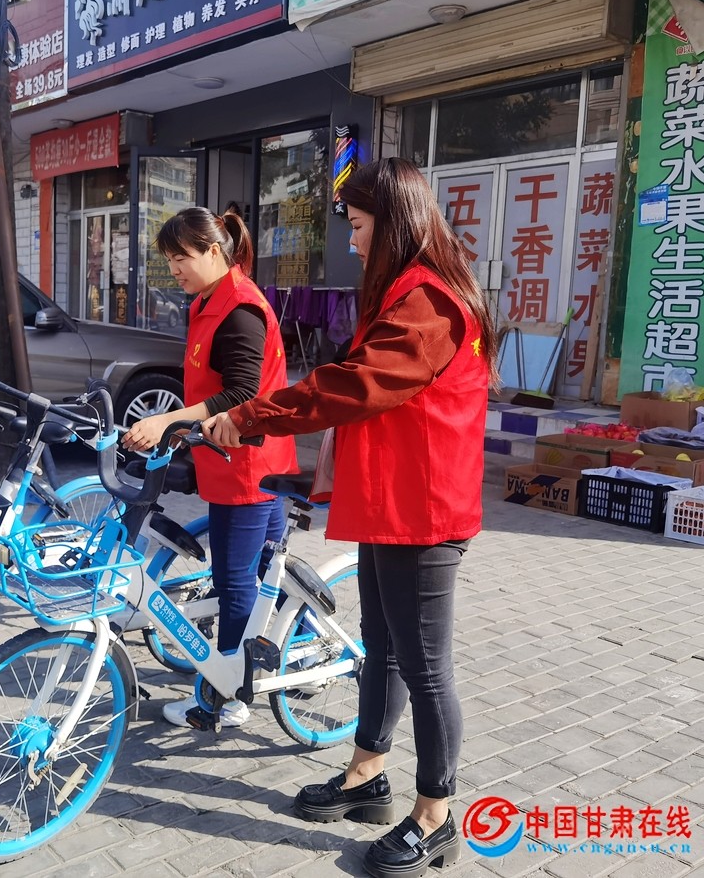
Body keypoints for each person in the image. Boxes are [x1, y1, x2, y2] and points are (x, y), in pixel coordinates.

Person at [203, 157, 497, 878]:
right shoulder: (406, 291)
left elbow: (352, 386)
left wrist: (253, 415)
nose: (353, 241)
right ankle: (368, 775)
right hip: (393, 504)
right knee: (384, 648)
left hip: (423, 511)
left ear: (393, 223)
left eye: (360, 226)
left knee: (425, 668)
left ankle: (436, 817)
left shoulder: (428, 303)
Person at [122, 206, 297, 728]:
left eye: (182, 258)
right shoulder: (209, 299)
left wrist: (170, 419)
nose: (174, 269)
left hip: (248, 464)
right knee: (259, 573)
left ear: (214, 251)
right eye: (169, 260)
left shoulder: (240, 309)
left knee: (235, 579)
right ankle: (273, 653)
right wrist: (179, 425)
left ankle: (228, 696)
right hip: (236, 457)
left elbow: (242, 392)